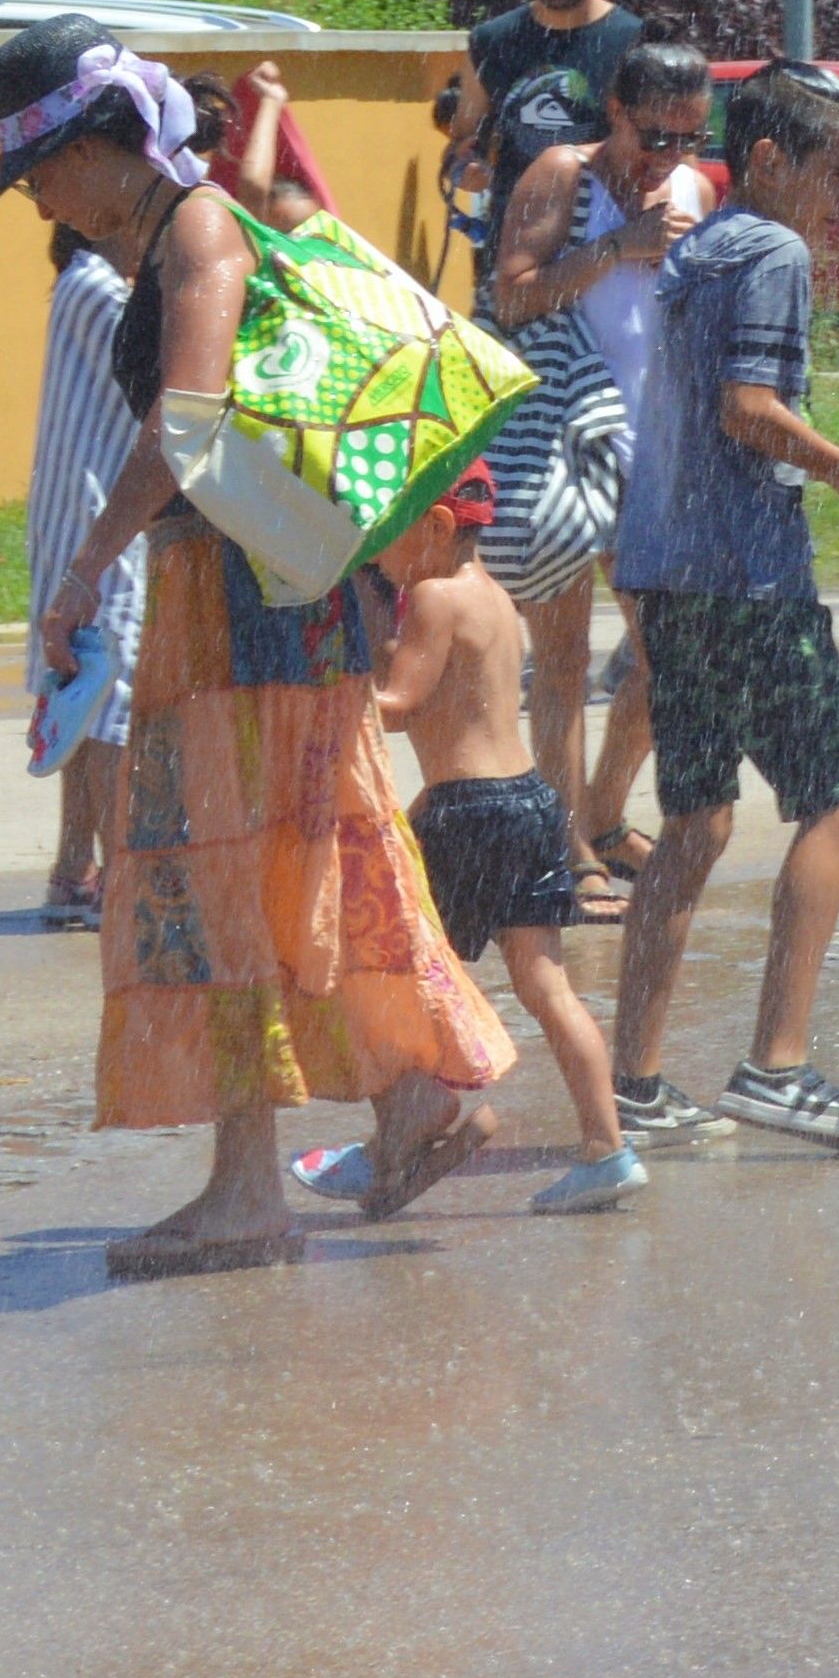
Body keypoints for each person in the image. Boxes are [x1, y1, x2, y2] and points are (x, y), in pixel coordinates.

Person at [0, 20, 516, 1275]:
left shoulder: (199, 233)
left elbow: (189, 421)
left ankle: (254, 1187)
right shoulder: (164, 245)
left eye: (41, 169)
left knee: (239, 882)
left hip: (248, 615)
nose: (36, 201)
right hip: (241, 604)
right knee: (286, 872)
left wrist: (79, 572)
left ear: (106, 143)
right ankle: (405, 1105)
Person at [602, 63, 839, 1158]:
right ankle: (779, 1067)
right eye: (837, 170)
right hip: (749, 578)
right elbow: (749, 409)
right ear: (767, 160)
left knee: (698, 822)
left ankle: (634, 1084)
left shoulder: (694, 247)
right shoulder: (771, 248)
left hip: (667, 566)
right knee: (837, 808)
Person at [360, 480, 637, 1215]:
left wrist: (335, 682)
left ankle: (405, 1129)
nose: (378, 551)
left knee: (399, 973)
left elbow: (401, 705)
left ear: (439, 523)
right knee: (547, 987)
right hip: (530, 803)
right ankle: (607, 1148)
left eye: (388, 532)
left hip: (469, 814)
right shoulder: (497, 598)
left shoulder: (432, 598)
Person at [490, 46, 711, 898]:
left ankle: (604, 816)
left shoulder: (696, 191)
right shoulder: (559, 176)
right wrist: (619, 246)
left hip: (654, 448)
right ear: (615, 110)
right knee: (563, 659)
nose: (671, 158)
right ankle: (563, 851)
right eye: (656, 134)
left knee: (670, 656)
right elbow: (513, 295)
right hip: (564, 440)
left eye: (691, 137)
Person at [26, 222, 145, 926]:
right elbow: (173, 373)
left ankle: (75, 868)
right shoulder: (100, 290)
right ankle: (120, 874)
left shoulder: (82, 284)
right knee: (108, 706)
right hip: (99, 523)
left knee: (83, 690)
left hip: (77, 517)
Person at [439, 0, 641, 238]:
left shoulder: (635, 41)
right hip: (515, 242)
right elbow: (461, 143)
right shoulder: (492, 41)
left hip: (609, 240)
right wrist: (464, 169)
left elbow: (673, 153)